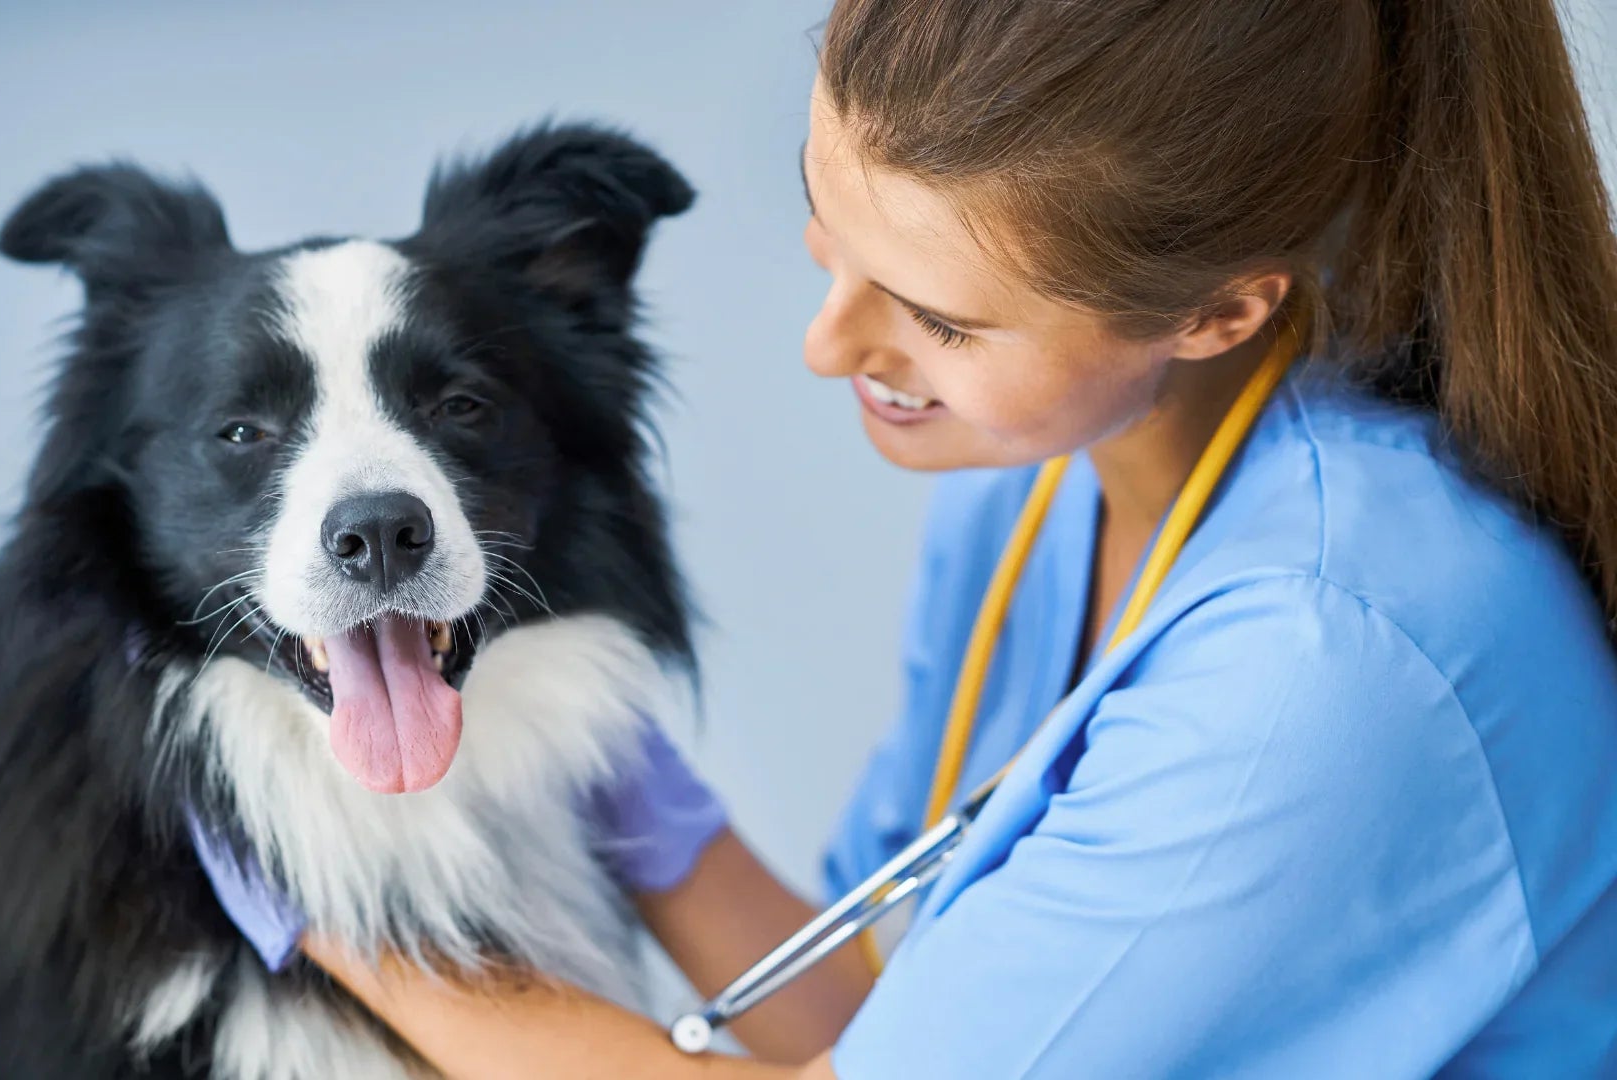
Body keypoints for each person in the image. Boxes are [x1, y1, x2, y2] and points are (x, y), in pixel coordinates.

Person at [198, 0, 1617, 1075]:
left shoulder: (1328, 662)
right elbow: (893, 1004)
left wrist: (342, 932)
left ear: (1219, 313)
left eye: (940, 319)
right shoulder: (1031, 491)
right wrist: (649, 823)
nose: (830, 346)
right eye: (829, 240)